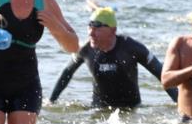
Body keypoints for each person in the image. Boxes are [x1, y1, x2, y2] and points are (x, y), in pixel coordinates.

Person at [50, 7, 178, 109]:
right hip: (98, 110)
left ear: (113, 30)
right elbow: (66, 73)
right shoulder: (85, 49)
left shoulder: (132, 47)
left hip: (131, 111)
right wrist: (51, 101)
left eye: (97, 28)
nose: (91, 33)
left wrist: (179, 103)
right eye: (89, 27)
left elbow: (162, 74)